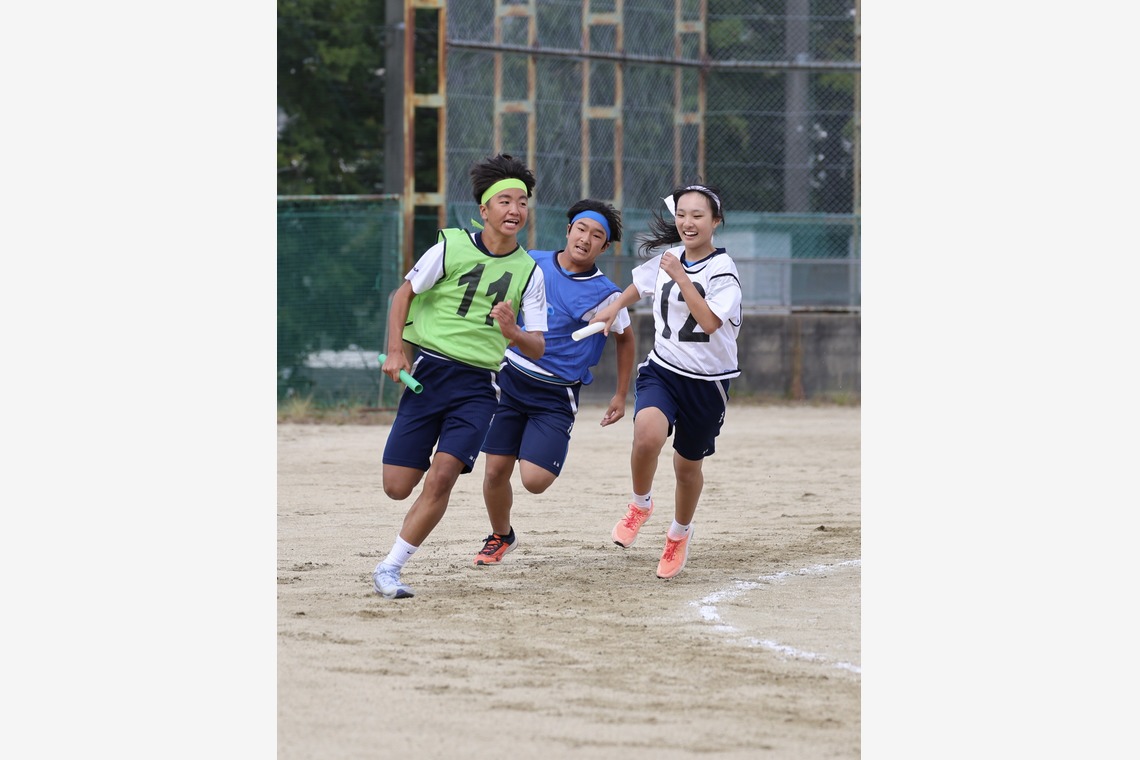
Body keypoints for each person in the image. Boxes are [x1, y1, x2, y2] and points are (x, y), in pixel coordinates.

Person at [371, 153, 548, 600]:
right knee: (396, 486)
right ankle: (407, 526)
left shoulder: (530, 271)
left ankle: (391, 568)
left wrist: (513, 332)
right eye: (504, 201)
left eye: (522, 202)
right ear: (484, 209)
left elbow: (538, 345)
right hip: (430, 373)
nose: (514, 209)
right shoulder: (450, 246)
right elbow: (403, 294)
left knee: (443, 476)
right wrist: (397, 350)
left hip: (479, 387)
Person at [590, 183, 741, 579]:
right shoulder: (668, 256)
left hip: (708, 384)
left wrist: (681, 276)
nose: (688, 223)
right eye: (682, 215)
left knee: (686, 467)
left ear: (715, 222)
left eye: (698, 216)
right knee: (646, 435)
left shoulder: (723, 271)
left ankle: (679, 533)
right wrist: (612, 309)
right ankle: (640, 504)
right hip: (664, 369)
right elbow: (639, 285)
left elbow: (709, 322)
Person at [473, 199, 636, 566]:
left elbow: (625, 339)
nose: (585, 239)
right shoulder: (532, 263)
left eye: (597, 235)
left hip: (556, 392)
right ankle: (501, 535)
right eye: (580, 229)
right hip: (510, 377)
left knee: (534, 480)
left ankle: (540, 446)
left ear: (604, 247)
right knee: (496, 470)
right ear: (568, 231)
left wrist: (622, 394)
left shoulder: (606, 294)